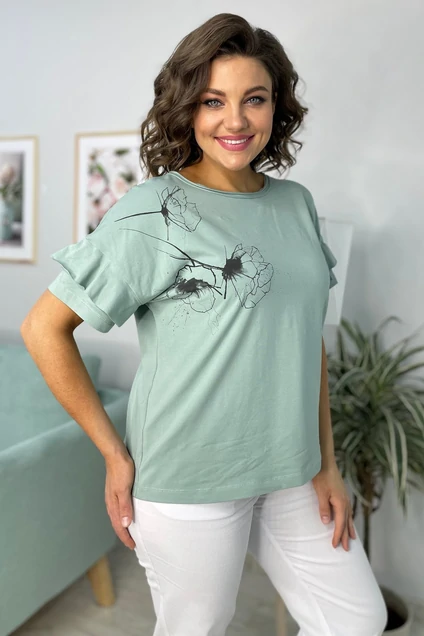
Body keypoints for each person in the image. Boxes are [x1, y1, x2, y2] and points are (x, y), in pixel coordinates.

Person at [21, 12, 388, 636]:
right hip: (189, 477)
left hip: (293, 469)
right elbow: (43, 329)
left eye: (254, 99)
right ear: (187, 107)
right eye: (214, 100)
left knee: (357, 619)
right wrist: (113, 453)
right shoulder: (153, 210)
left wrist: (327, 462)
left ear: (277, 107)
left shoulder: (295, 204)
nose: (235, 120)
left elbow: (307, 342)